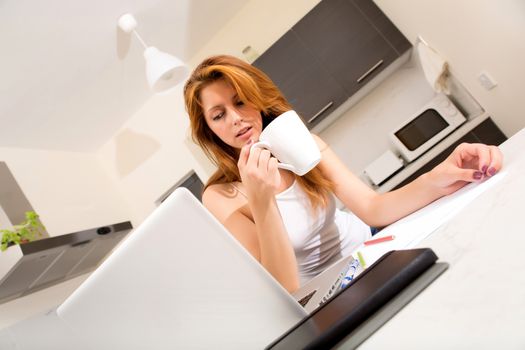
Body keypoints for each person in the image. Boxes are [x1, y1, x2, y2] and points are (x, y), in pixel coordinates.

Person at [183, 55, 503, 293]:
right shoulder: (220, 195)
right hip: (331, 293)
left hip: (374, 249)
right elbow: (284, 286)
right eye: (219, 114)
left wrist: (442, 175)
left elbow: (373, 208)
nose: (236, 118)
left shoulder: (302, 145)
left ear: (258, 101)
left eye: (241, 101)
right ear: (209, 130)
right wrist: (262, 199)